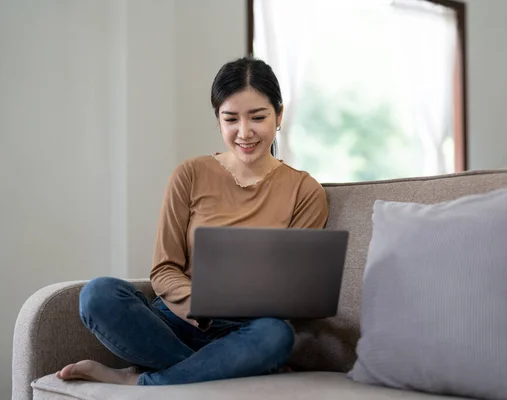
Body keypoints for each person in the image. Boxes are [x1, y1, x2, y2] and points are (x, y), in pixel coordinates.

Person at [56, 57, 329, 386]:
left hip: (248, 331)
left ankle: (140, 381)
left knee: (277, 335)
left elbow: (295, 290)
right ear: (218, 120)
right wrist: (196, 300)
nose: (245, 132)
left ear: (279, 115)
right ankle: (214, 370)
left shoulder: (305, 191)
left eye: (258, 117)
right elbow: (163, 270)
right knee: (98, 294)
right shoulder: (190, 174)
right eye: (231, 119)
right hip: (175, 321)